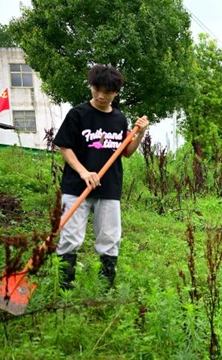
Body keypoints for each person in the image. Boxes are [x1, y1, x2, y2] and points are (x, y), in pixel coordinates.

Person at [53, 64, 149, 290]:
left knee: (109, 239)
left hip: (109, 187)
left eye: (107, 91)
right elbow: (65, 147)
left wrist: (140, 134)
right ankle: (65, 288)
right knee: (71, 238)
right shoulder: (78, 114)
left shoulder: (119, 118)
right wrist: (84, 172)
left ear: (116, 92)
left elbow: (126, 151)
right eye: (97, 89)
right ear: (92, 87)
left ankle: (105, 290)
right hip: (76, 187)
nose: (101, 95)